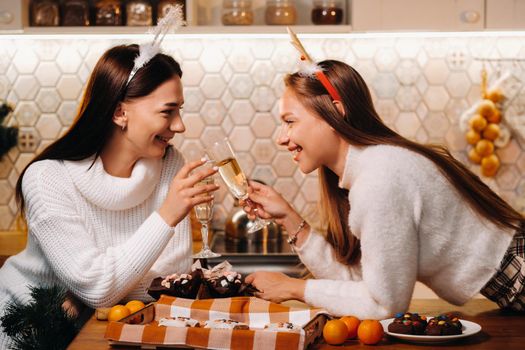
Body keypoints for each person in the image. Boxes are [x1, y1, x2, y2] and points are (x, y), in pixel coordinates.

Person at [244, 59, 524, 319]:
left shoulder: (381, 179)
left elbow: (383, 304)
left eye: (289, 121)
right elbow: (361, 285)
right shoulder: (374, 167)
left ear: (334, 114)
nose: (281, 138)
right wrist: (288, 218)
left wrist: (294, 289)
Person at [0, 44, 218, 347]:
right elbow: (102, 290)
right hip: (26, 330)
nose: (179, 125)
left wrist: (90, 290)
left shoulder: (170, 165)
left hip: (104, 331)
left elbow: (170, 283)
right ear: (120, 112)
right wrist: (167, 214)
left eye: (180, 109)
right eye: (168, 111)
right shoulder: (47, 178)